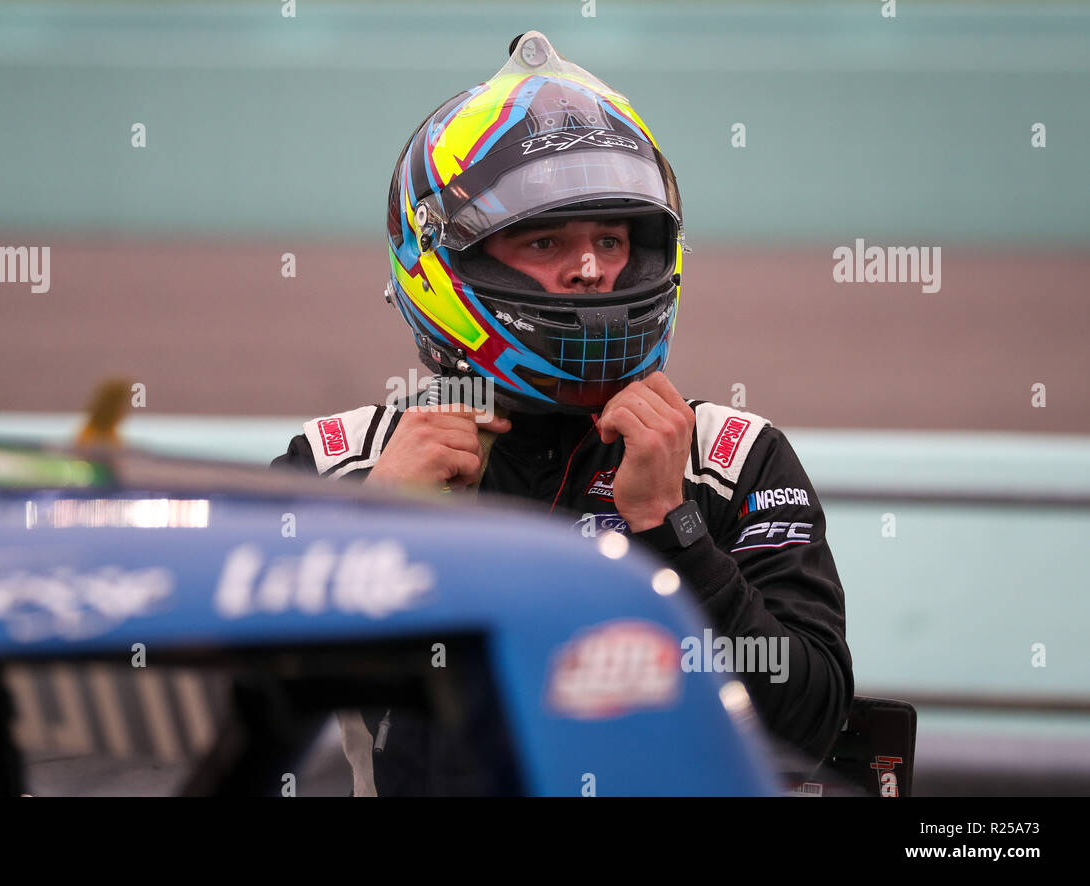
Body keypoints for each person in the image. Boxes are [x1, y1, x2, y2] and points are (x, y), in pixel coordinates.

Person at [271, 31, 853, 794]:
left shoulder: (731, 460)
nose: (591, 271)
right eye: (546, 240)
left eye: (611, 240)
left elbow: (809, 728)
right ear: (445, 266)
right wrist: (373, 537)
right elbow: (242, 712)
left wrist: (674, 531)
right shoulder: (337, 467)